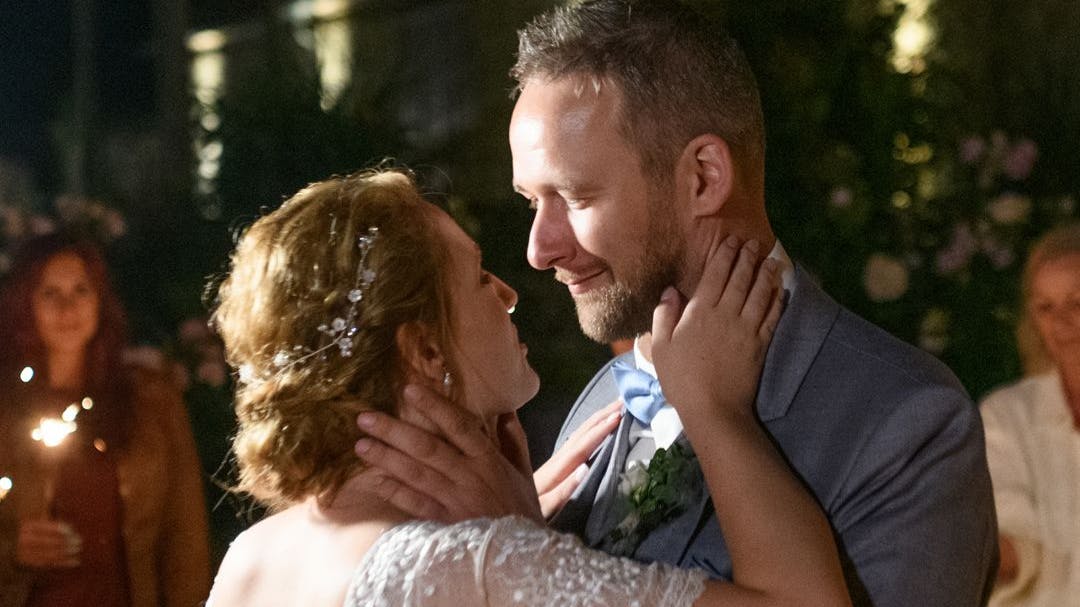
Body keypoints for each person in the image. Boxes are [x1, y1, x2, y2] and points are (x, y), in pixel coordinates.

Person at [352, 1, 999, 605]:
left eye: (574, 198)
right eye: (531, 202)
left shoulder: (904, 418)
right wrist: (516, 551)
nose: (538, 250)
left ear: (703, 177)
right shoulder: (606, 398)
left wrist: (524, 556)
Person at [204, 167, 851, 606]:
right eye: (481, 277)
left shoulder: (252, 557)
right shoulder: (475, 562)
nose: (511, 292)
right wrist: (716, 408)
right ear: (426, 350)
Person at [0, 233, 211, 607]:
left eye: (81, 290)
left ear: (100, 300)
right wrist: (11, 549)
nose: (68, 308)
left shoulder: (150, 400)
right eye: (50, 293)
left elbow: (184, 533)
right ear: (25, 304)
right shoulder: (8, 407)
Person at [980, 223, 1080, 607]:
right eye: (1045, 307)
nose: (1061, 322)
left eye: (1077, 302)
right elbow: (1014, 539)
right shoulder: (1006, 415)